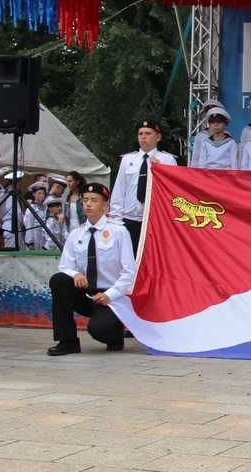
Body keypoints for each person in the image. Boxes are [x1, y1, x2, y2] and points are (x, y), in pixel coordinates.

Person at [47, 182, 137, 356]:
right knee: (58, 280)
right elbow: (65, 265)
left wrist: (109, 295)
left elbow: (129, 272)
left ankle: (115, 334)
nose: (88, 204)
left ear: (104, 205)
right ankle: (68, 341)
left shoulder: (119, 231)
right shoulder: (76, 234)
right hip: (86, 292)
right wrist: (76, 274)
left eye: (94, 200)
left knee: (100, 330)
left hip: (109, 296)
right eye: (85, 200)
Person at [109, 119, 178, 252]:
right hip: (129, 218)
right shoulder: (127, 160)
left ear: (158, 137)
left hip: (154, 219)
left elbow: (171, 191)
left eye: (148, 133)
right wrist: (117, 220)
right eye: (140, 134)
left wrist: (158, 168)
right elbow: (119, 190)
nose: (143, 137)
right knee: (129, 258)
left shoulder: (167, 160)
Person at [22, 181, 48, 250]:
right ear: (34, 194)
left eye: (43, 193)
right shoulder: (31, 208)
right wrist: (30, 242)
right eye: (39, 193)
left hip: (42, 235)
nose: (41, 195)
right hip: (34, 235)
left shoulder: (45, 207)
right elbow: (29, 225)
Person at [60, 171, 86, 236]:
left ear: (77, 181)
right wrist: (63, 215)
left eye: (70, 181)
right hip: (70, 230)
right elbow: (67, 213)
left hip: (81, 229)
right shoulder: (68, 198)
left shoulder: (83, 197)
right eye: (67, 181)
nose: (68, 184)